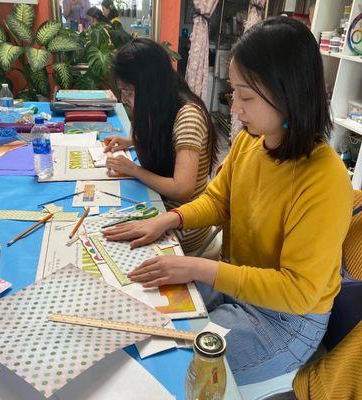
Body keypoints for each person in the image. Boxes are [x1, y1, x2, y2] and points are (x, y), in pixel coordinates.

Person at [103, 18, 354, 385]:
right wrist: (168, 221)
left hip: (286, 321)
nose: (235, 108)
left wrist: (197, 268)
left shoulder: (325, 180)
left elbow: (298, 292)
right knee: (144, 308)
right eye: (234, 93)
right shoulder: (250, 142)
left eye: (246, 96)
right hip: (237, 282)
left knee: (174, 363)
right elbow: (218, 201)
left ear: (289, 94)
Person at [103, 38, 218, 255]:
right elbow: (167, 141)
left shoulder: (188, 116)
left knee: (114, 246)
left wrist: (133, 169)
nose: (125, 99)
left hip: (185, 227)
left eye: (128, 91)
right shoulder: (163, 104)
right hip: (164, 208)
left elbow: (181, 189)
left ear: (149, 87)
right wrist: (131, 142)